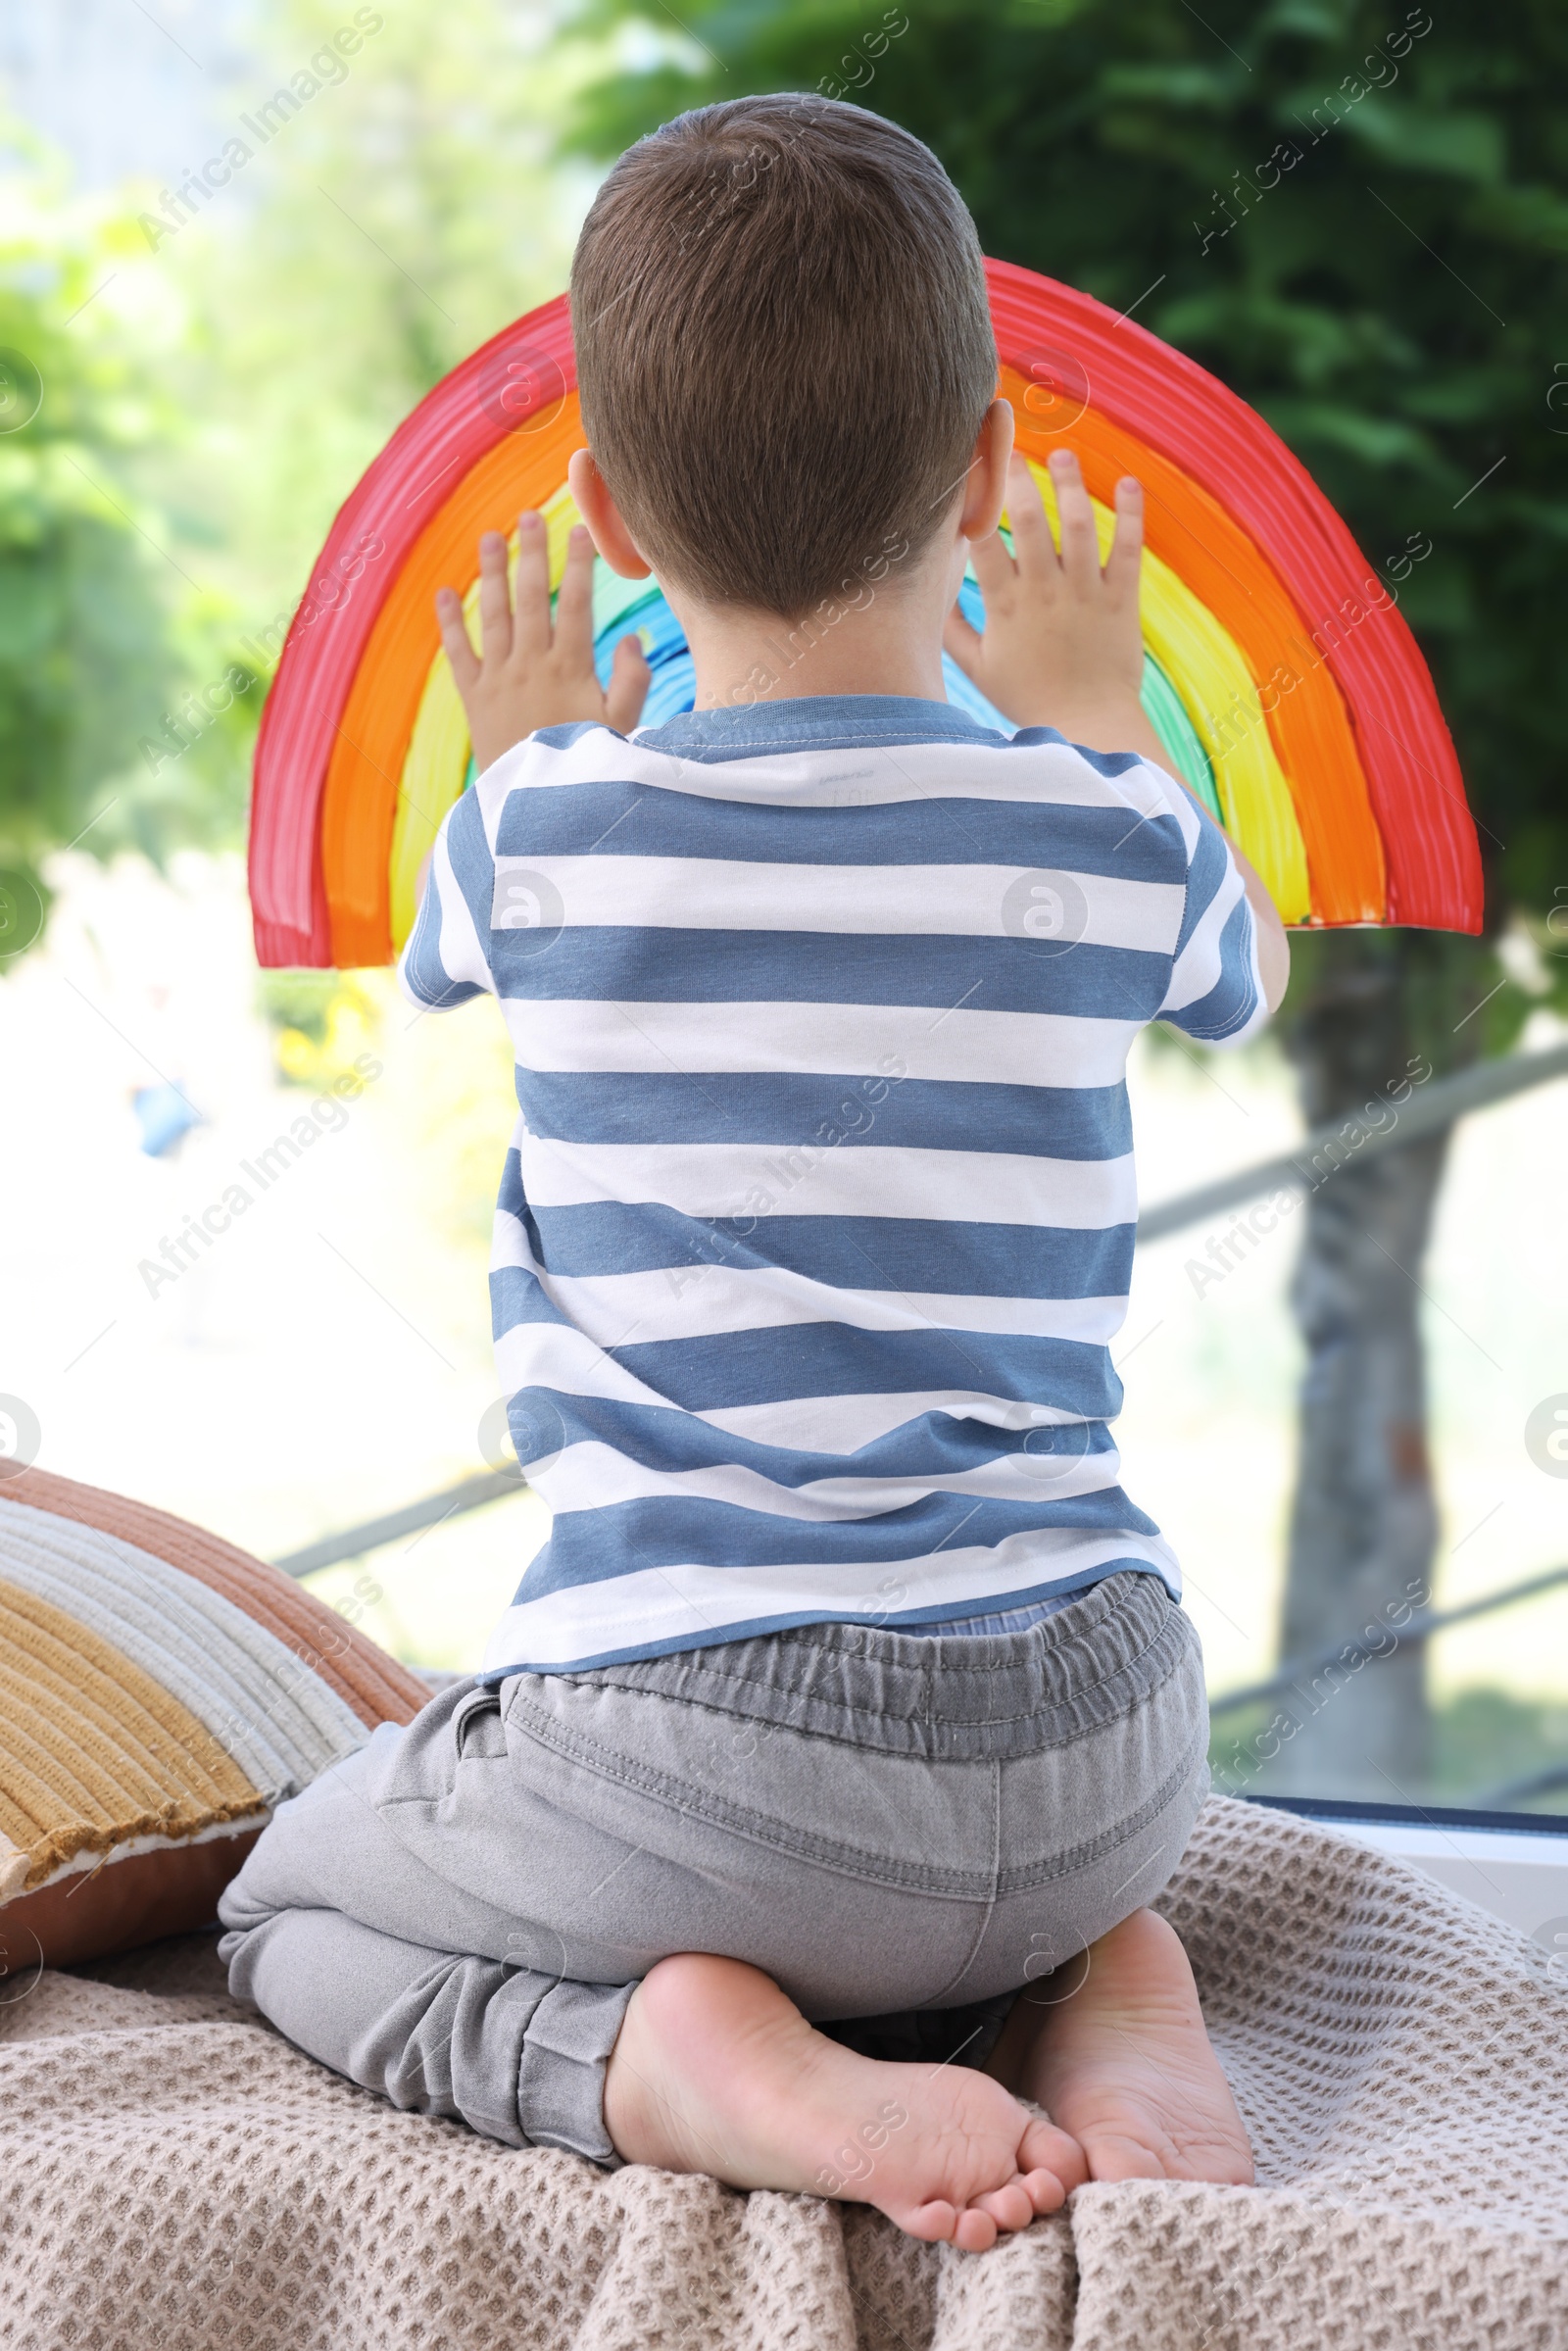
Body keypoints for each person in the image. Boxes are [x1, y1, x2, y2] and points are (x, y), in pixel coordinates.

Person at [219, 93, 1287, 2253]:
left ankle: (679, 2058)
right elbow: (1239, 975)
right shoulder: (1097, 831)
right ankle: (1107, 1980)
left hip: (721, 1769)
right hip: (1102, 1732)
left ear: (605, 511)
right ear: (982, 469)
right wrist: (1090, 727)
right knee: (1000, 1877)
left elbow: (448, 950)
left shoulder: (537, 834)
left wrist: (531, 738)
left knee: (283, 1906)